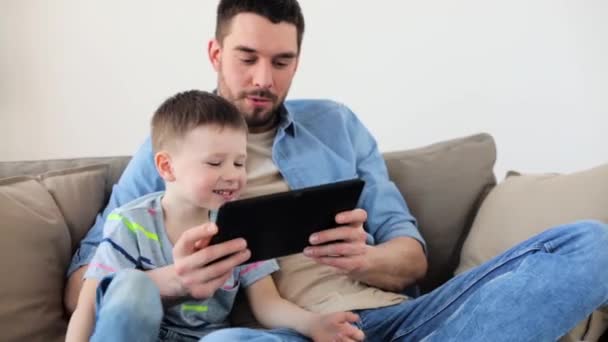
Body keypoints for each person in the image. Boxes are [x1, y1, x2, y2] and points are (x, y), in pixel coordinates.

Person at [66, 0, 608, 341]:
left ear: (298, 59)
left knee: (590, 243)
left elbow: (412, 254)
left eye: (282, 62)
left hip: (402, 319)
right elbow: (83, 287)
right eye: (246, 57)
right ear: (215, 52)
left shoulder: (338, 124)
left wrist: (367, 259)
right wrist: (173, 282)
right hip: (291, 332)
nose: (263, 78)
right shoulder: (174, 151)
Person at [66, 90, 365, 341]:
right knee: (132, 285)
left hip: (208, 339)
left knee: (230, 338)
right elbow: (88, 306)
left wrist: (314, 325)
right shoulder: (129, 223)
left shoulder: (241, 224)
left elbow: (267, 303)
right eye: (215, 163)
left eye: (239, 163)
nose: (232, 175)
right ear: (167, 167)